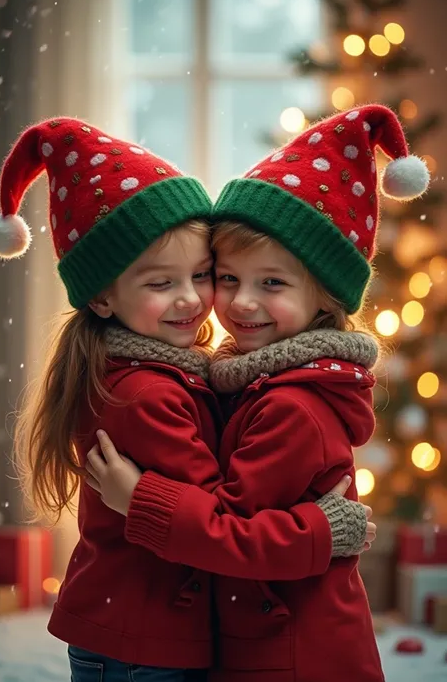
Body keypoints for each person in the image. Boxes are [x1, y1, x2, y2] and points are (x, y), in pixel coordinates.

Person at [0, 117, 373, 682]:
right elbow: (224, 528)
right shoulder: (148, 393)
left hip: (177, 634)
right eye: (161, 282)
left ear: (325, 295)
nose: (197, 299)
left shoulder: (252, 392)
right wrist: (317, 529)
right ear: (100, 297)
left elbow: (226, 527)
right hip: (145, 637)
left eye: (200, 274)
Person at [86, 105, 429, 682]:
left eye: (271, 283)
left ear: (325, 298)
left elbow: (233, 537)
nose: (240, 303)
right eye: (227, 278)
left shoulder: (290, 405)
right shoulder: (243, 379)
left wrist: (138, 499)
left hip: (293, 654)